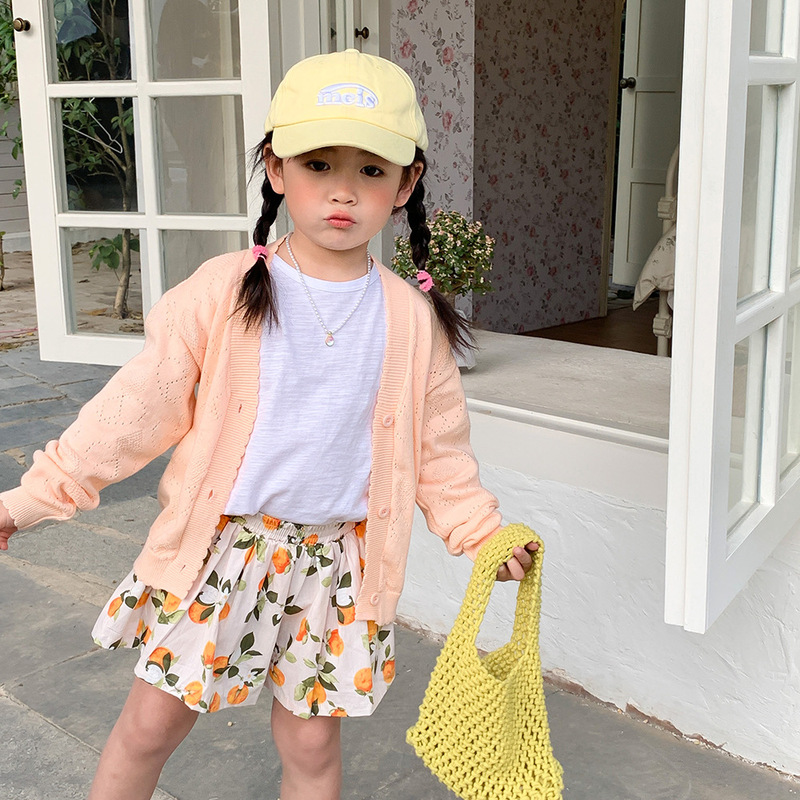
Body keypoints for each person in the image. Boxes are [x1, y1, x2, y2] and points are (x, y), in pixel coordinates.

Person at [0, 49, 538, 800]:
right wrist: (28, 501)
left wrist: (481, 533)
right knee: (151, 726)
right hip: (224, 553)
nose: (343, 190)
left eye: (371, 170)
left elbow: (439, 450)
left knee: (312, 746)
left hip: (337, 571)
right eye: (318, 165)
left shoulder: (412, 321)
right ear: (277, 169)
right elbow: (133, 409)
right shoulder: (224, 292)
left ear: (406, 184)